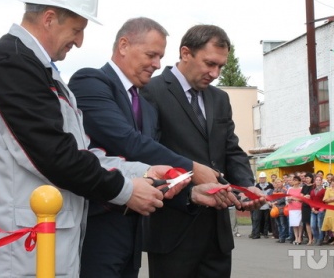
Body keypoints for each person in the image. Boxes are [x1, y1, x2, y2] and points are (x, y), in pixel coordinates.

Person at [0, 0, 171, 277]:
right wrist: (126, 190)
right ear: (49, 18)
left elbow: (79, 152)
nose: (79, 42)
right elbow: (55, 157)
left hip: (41, 246)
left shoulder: (37, 69)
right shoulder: (12, 65)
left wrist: (140, 171)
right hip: (18, 253)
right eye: (76, 30)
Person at [68, 17, 240, 278]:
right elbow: (127, 141)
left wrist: (191, 195)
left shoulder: (145, 105)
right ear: (123, 45)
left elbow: (152, 168)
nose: (157, 64)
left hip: (135, 226)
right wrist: (192, 168)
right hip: (99, 224)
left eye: (160, 56)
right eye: (151, 54)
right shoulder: (91, 81)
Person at [140, 24, 260, 278]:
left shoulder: (219, 99)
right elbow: (148, 151)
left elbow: (231, 150)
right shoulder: (151, 91)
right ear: (185, 53)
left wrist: (248, 187)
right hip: (173, 230)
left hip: (216, 236)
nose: (215, 73)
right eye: (209, 63)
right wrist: (191, 179)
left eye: (220, 66)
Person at [251, 171, 273, 239]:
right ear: (259, 179)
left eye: (263, 178)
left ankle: (265, 233)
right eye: (261, 178)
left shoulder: (270, 185)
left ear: (265, 178)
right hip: (259, 206)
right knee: (257, 220)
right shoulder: (256, 186)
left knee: (266, 220)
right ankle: (256, 233)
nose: (262, 179)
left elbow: (271, 195)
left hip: (266, 205)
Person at [286, 175, 303, 245]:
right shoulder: (289, 189)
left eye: (296, 180)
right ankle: (296, 237)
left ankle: (299, 237)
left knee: (299, 224)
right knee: (294, 224)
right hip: (292, 208)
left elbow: (302, 198)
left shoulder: (301, 189)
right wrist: (289, 200)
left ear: (299, 181)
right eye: (293, 180)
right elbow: (287, 198)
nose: (294, 181)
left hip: (299, 208)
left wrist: (294, 199)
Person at [271, 178, 288, 243]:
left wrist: (276, 202)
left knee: (283, 224)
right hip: (275, 209)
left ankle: (283, 237)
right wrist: (272, 202)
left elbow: (283, 199)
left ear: (282, 182)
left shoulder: (284, 190)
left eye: (279, 182)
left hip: (282, 209)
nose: (278, 184)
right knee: (278, 224)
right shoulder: (275, 190)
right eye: (276, 182)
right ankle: (280, 236)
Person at [310, 175, 326, 246]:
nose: (318, 181)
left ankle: (320, 239)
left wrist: (320, 209)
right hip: (313, 209)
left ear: (321, 182)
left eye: (319, 180)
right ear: (315, 181)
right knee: (313, 225)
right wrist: (312, 208)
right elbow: (311, 200)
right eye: (317, 180)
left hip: (321, 209)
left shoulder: (324, 191)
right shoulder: (312, 191)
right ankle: (316, 237)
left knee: (320, 225)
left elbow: (324, 201)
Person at [300, 172, 314, 245]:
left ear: (311, 178)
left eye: (308, 178)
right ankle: (310, 239)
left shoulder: (313, 186)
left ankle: (315, 237)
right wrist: (305, 197)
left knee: (314, 223)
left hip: (312, 206)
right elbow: (301, 196)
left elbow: (312, 196)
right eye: (306, 178)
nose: (306, 179)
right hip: (305, 206)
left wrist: (305, 197)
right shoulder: (304, 186)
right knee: (307, 223)